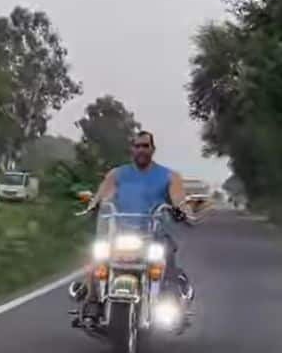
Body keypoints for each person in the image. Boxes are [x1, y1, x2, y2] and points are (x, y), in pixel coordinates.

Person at [73, 130, 194, 321]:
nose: (141, 150)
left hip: (155, 235)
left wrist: (182, 210)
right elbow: (104, 194)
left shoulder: (169, 176)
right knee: (98, 255)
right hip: (120, 234)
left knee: (166, 259)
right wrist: (94, 205)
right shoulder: (118, 174)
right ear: (132, 150)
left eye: (145, 146)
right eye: (137, 146)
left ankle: (171, 304)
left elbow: (179, 198)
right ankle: (93, 300)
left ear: (153, 149)